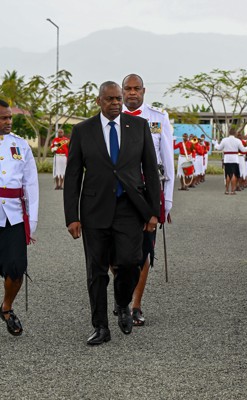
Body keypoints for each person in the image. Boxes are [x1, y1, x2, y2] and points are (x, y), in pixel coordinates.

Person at [63, 81, 160, 345]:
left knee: (131, 261)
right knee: (96, 272)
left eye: (119, 99)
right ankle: (100, 327)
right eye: (110, 99)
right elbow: (72, 176)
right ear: (99, 101)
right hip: (94, 211)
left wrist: (154, 212)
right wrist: (72, 216)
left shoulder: (138, 127)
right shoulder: (83, 131)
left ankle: (122, 302)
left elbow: (151, 171)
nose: (116, 103)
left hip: (129, 208)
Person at [121, 73, 174, 325]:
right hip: (118, 193)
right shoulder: (111, 117)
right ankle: (122, 299)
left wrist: (168, 201)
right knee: (116, 254)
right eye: (128, 89)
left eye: (136, 88)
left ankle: (135, 305)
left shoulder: (158, 118)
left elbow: (167, 161)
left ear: (144, 91)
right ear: (121, 92)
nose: (132, 93)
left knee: (143, 252)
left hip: (148, 191)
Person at [0, 99, 39, 336]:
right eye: (3, 118)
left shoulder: (20, 145)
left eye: (9, 117)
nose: (8, 122)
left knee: (16, 268)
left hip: (13, 215)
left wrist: (30, 221)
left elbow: (31, 184)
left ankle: (6, 307)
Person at [213, 129, 247, 194]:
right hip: (234, 158)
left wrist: (215, 143)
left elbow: (219, 148)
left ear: (229, 133)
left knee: (227, 174)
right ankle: (233, 191)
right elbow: (243, 150)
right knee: (234, 174)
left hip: (227, 158)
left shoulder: (224, 140)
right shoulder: (238, 141)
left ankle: (227, 190)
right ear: (235, 134)